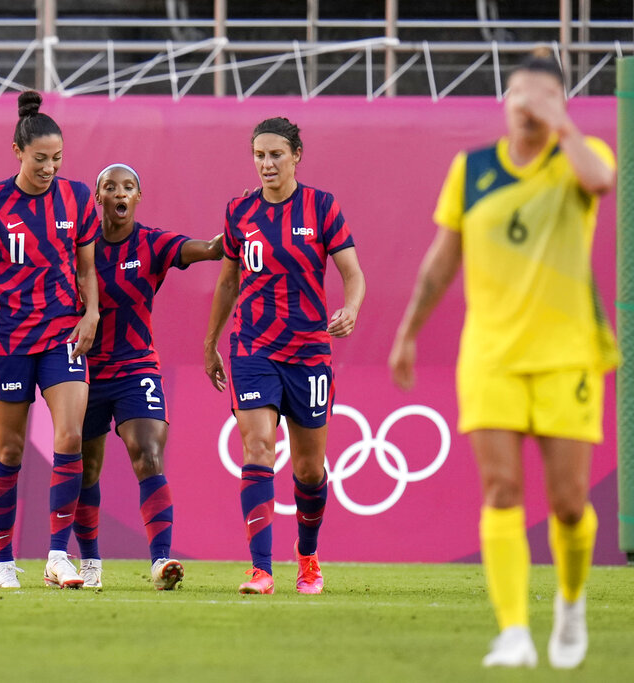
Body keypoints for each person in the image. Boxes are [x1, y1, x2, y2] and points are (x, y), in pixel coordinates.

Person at [388, 52, 617, 670]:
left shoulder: (579, 156)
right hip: (490, 355)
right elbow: (442, 260)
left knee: (569, 501)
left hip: (566, 354)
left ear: (560, 103)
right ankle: (513, 631)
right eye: (519, 91)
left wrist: (562, 125)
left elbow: (601, 182)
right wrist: (408, 330)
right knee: (501, 488)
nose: (528, 102)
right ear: (504, 101)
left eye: (543, 94)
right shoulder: (472, 168)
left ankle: (570, 604)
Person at [204, 117, 365, 596]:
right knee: (257, 449)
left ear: (296, 155)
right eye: (259, 155)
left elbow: (353, 274)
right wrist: (210, 341)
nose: (267, 164)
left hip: (310, 352)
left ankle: (308, 557)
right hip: (253, 347)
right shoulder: (239, 212)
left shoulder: (321, 206)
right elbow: (229, 282)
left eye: (276, 154)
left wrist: (351, 309)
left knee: (309, 469)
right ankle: (260, 568)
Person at [0, 90, 99, 589]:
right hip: (9, 338)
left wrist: (93, 312)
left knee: (70, 436)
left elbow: (86, 267)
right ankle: (2, 562)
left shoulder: (79, 197)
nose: (50, 168)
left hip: (63, 331)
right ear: (18, 151)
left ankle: (59, 557)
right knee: (9, 449)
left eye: (57, 159)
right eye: (41, 159)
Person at [73, 163, 221, 590]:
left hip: (137, 366)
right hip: (84, 369)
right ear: (98, 197)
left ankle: (161, 562)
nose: (119, 192)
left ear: (138, 196)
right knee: (86, 469)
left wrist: (236, 230)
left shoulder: (154, 244)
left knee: (148, 453)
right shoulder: (79, 248)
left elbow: (209, 249)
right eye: (109, 186)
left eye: (128, 186)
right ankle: (90, 564)